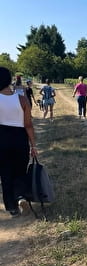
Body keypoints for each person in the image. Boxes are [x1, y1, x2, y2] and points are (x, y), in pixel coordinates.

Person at [0, 67, 37, 217]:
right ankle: (21, 196)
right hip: (20, 138)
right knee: (20, 170)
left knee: (5, 174)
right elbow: (28, 125)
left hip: (1, 138)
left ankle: (12, 207)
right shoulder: (21, 99)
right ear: (9, 80)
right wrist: (33, 145)